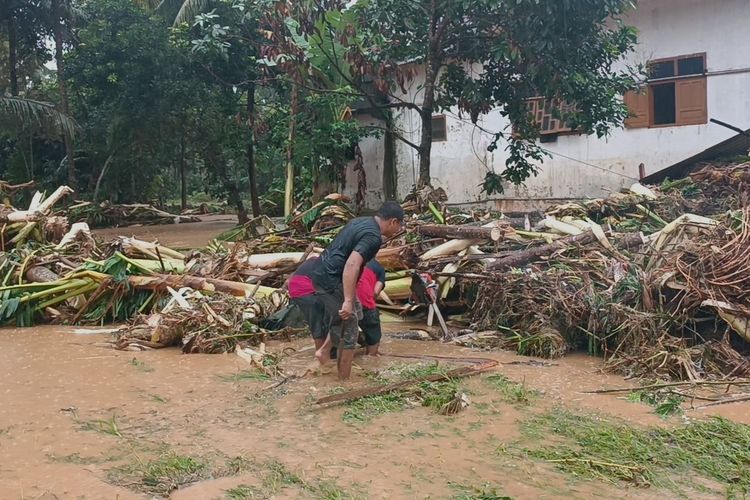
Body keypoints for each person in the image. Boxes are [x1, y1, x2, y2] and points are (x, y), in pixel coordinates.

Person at [308, 202, 404, 380]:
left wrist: (352, 300)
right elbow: (352, 264)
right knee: (349, 329)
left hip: (322, 272)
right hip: (331, 280)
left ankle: (324, 351)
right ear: (393, 221)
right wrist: (347, 300)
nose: (398, 230)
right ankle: (344, 382)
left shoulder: (360, 221)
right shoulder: (373, 237)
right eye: (399, 225)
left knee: (356, 311)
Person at [356, 259, 385, 356]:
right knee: (373, 332)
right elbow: (376, 291)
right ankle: (371, 356)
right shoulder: (379, 268)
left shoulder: (350, 260)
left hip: (344, 300)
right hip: (364, 301)